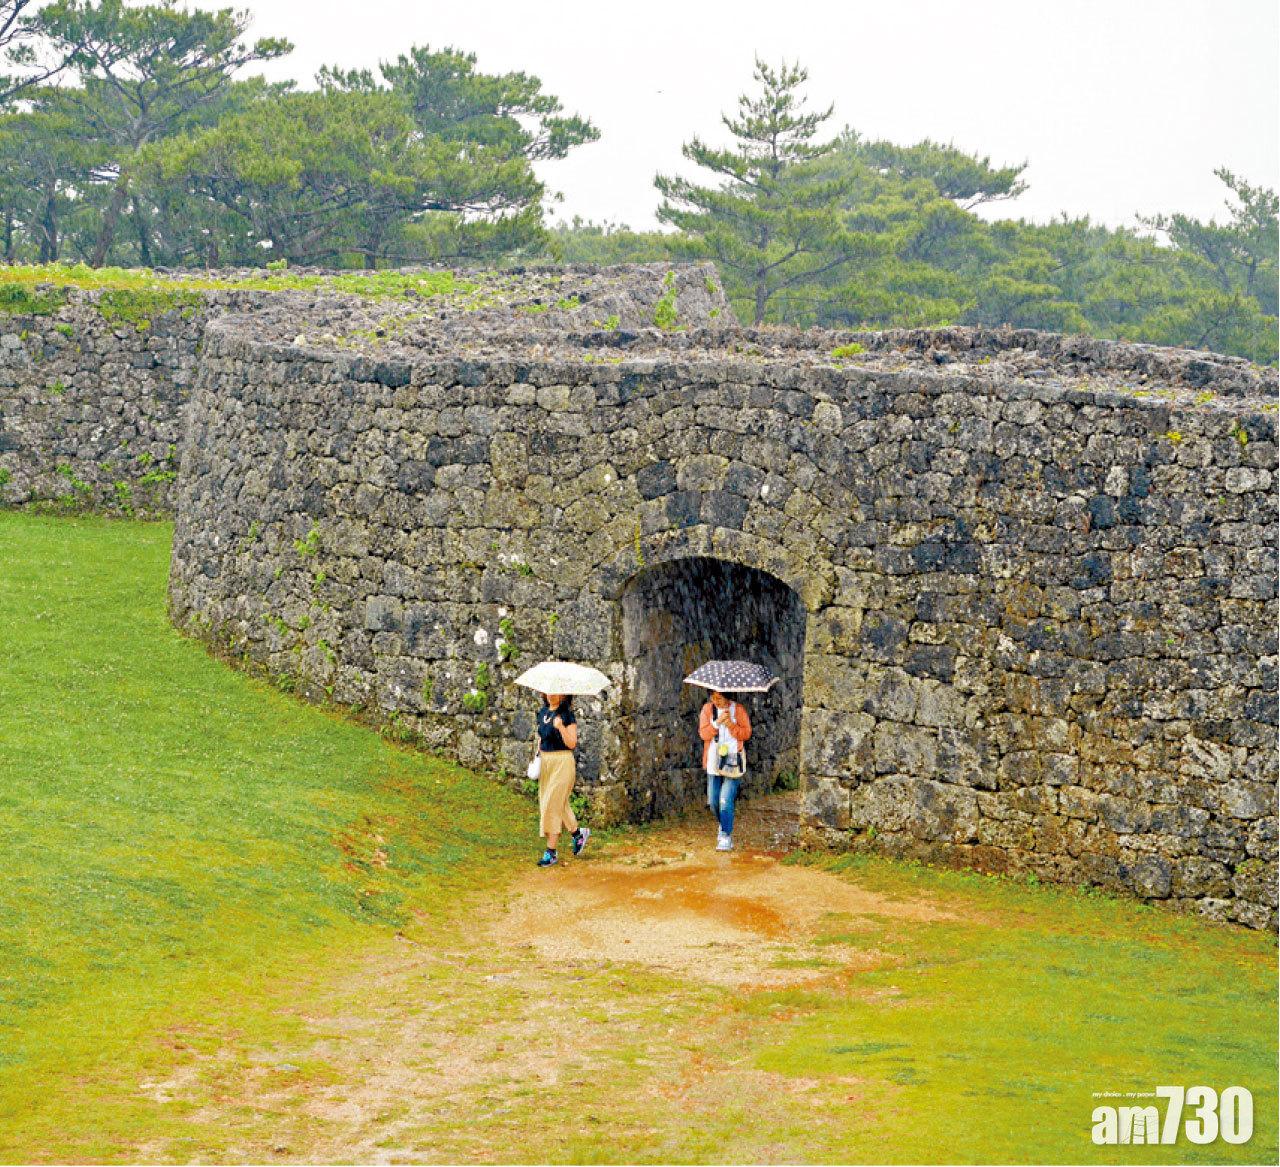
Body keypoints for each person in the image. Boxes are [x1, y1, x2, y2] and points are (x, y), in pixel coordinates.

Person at [531, 692, 589, 867]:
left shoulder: (566, 715)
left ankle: (551, 852)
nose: (551, 695)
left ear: (564, 694)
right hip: (546, 762)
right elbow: (542, 737)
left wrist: (561, 727)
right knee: (554, 802)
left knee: (552, 805)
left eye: (556, 692)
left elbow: (572, 743)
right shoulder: (543, 712)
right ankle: (578, 833)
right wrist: (537, 755)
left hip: (562, 762)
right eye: (548, 691)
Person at [698, 690, 751, 851]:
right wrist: (717, 723)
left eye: (719, 698)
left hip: (732, 761)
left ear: (727, 697)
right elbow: (703, 734)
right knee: (713, 802)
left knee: (725, 800)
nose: (716, 701)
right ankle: (723, 825)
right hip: (714, 761)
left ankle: (726, 835)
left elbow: (746, 733)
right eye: (713, 697)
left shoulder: (738, 710)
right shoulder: (708, 710)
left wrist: (731, 725)